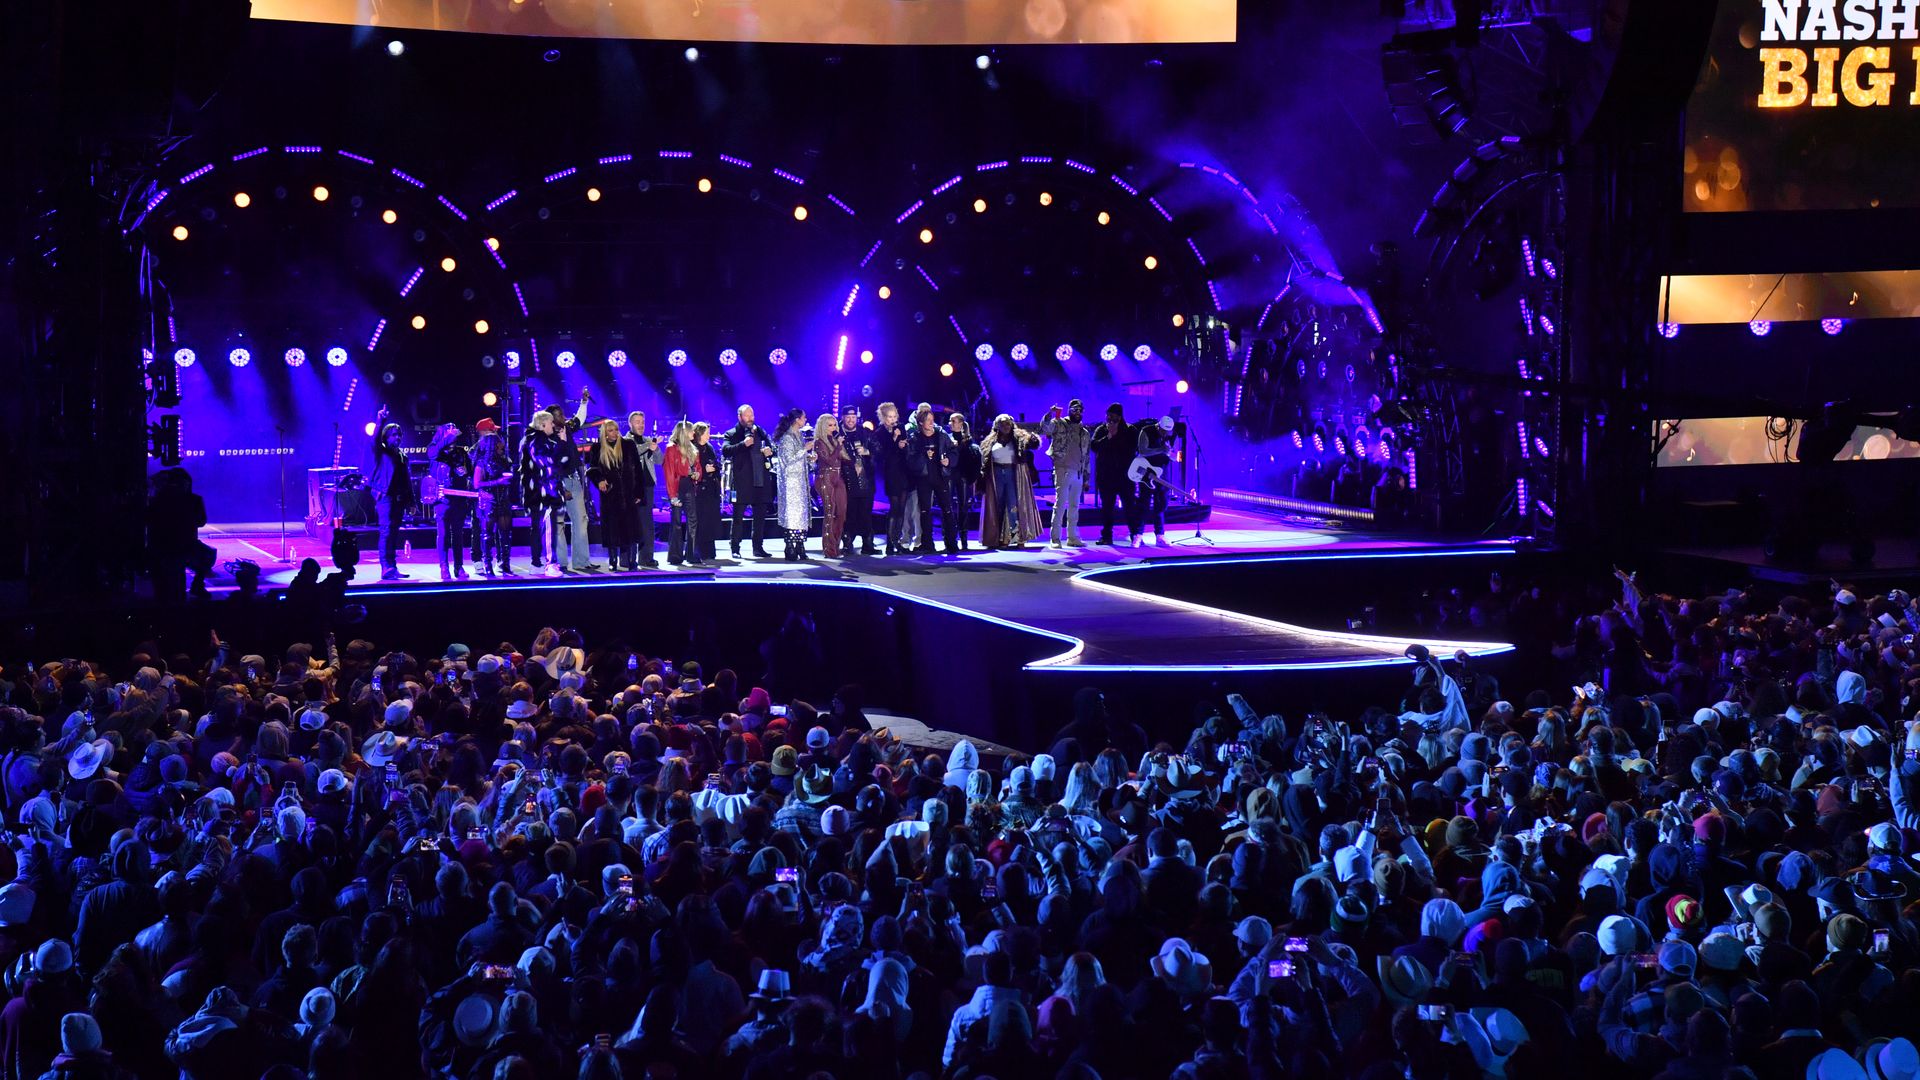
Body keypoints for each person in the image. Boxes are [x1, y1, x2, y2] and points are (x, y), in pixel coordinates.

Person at [516, 409, 576, 576]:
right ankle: (550, 564)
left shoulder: (532, 439)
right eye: (550, 423)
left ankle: (537, 563)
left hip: (535, 491)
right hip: (543, 492)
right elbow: (550, 463)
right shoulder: (537, 440)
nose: (553, 425)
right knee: (549, 529)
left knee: (538, 528)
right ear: (542, 425)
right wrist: (563, 445)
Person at [546, 389, 599, 573]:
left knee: (581, 520)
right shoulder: (548, 438)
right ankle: (560, 562)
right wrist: (560, 488)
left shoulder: (567, 429)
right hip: (558, 483)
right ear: (551, 419)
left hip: (574, 479)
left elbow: (579, 419)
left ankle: (581, 561)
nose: (562, 416)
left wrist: (584, 402)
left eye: (562, 413)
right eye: (558, 415)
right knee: (558, 523)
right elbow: (552, 465)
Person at [587, 420, 644, 573]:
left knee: (631, 529)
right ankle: (613, 560)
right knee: (612, 529)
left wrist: (639, 492)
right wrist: (599, 480)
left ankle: (633, 561)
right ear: (605, 433)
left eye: (616, 430)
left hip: (628, 493)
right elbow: (591, 469)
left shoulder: (628, 445)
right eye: (610, 430)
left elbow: (638, 470)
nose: (614, 433)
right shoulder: (597, 448)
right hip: (610, 496)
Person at [977, 414, 1041, 550]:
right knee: (997, 505)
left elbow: (1033, 444)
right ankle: (1000, 538)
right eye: (1002, 424)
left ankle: (1018, 537)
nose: (1005, 426)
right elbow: (983, 458)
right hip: (996, 474)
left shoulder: (1019, 438)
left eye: (1008, 424)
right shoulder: (990, 441)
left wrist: (1034, 438)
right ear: (997, 426)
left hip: (1014, 473)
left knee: (1014, 504)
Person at [722, 405, 777, 560]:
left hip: (761, 479)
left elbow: (772, 446)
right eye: (747, 415)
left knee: (760, 517)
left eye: (752, 415)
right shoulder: (732, 434)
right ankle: (735, 548)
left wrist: (770, 451)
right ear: (739, 417)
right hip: (742, 481)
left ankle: (758, 548)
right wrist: (743, 444)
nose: (750, 418)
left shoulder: (760, 431)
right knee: (738, 517)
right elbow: (726, 450)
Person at [368, 405, 415, 580]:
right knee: (386, 531)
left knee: (394, 532)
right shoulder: (382, 452)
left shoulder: (403, 456)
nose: (397, 437)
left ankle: (392, 567)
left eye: (399, 434)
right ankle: (385, 567)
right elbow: (374, 440)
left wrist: (412, 502)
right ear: (386, 438)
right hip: (385, 497)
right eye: (394, 435)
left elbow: (407, 480)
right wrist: (381, 420)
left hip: (399, 499)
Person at [424, 423, 475, 580]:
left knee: (458, 535)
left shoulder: (461, 452)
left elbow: (470, 473)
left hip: (459, 499)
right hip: (442, 501)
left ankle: (459, 567)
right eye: (449, 429)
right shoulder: (435, 450)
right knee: (444, 534)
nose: (454, 431)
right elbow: (432, 453)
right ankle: (444, 566)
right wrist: (447, 438)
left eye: (454, 429)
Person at [906, 408, 958, 555]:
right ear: (921, 422)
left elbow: (954, 451)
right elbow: (911, 461)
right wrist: (924, 456)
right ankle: (928, 544)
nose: (931, 422)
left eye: (932, 419)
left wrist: (949, 461)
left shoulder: (941, 435)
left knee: (947, 510)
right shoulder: (915, 438)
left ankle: (951, 543)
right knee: (925, 511)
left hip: (941, 477)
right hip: (924, 479)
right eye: (928, 420)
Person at [1041, 399, 1092, 549]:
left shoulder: (1085, 432)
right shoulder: (1059, 423)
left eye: (1080, 410)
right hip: (1062, 468)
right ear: (1069, 410)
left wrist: (1086, 478)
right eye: (1075, 409)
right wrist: (1050, 413)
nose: (1078, 412)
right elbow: (1045, 428)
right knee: (1060, 504)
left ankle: (1073, 537)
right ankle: (1055, 538)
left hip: (1078, 471)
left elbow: (1086, 455)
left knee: (1075, 506)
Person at [469, 419, 515, 576]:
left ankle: (505, 564)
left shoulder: (503, 460)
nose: (501, 444)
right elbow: (476, 483)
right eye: (498, 442)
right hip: (489, 500)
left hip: (503, 499)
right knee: (486, 534)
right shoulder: (481, 461)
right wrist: (498, 481)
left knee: (505, 533)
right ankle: (486, 563)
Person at [1089, 403, 1138, 547]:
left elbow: (1132, 449)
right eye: (1108, 415)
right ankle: (1106, 536)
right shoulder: (1101, 429)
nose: (1109, 419)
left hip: (1125, 475)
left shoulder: (1130, 430)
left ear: (1120, 416)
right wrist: (1109, 437)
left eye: (1113, 416)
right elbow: (1094, 447)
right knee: (1107, 507)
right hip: (1106, 475)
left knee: (1129, 505)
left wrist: (1117, 436)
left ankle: (1134, 534)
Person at [771, 409, 814, 562]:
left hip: (800, 481)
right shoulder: (787, 438)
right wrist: (805, 450)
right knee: (791, 514)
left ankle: (800, 545)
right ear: (797, 419)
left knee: (801, 513)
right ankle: (789, 546)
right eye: (804, 417)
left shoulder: (799, 435)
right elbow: (788, 459)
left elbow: (798, 457)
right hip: (790, 483)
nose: (806, 420)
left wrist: (808, 458)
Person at [663, 420, 704, 568]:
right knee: (677, 522)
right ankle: (675, 555)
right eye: (691, 430)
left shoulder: (693, 449)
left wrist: (697, 474)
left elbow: (698, 468)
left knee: (693, 521)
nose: (694, 433)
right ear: (684, 432)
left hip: (688, 486)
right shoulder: (671, 449)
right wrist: (672, 496)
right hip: (677, 486)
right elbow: (669, 473)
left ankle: (691, 553)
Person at [839, 406, 878, 557]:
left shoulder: (865, 432)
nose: (850, 419)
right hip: (846, 479)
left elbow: (879, 450)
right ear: (842, 417)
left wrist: (867, 452)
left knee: (866, 513)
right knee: (850, 513)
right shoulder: (838, 434)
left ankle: (867, 544)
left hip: (865, 478)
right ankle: (848, 543)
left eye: (853, 416)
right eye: (847, 417)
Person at [625, 411, 661, 569]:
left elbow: (660, 460)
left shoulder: (648, 440)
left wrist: (655, 449)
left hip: (648, 487)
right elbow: (632, 452)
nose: (641, 425)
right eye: (637, 422)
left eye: (642, 422)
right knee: (631, 521)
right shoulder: (625, 440)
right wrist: (648, 446)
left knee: (647, 523)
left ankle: (647, 557)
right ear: (630, 424)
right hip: (632, 487)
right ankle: (628, 558)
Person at [875, 402, 912, 557]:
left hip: (903, 471)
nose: (892, 419)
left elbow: (905, 450)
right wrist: (895, 438)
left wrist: (904, 445)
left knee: (902, 509)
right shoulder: (880, 433)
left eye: (894, 416)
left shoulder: (902, 427)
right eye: (889, 417)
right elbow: (883, 455)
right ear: (883, 417)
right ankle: (890, 544)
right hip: (891, 472)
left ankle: (897, 542)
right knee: (894, 508)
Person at [1134, 414, 1175, 548]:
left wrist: (1171, 454)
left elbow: (1174, 454)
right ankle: (1138, 535)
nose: (1164, 433)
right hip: (1147, 470)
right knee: (1144, 502)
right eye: (1162, 430)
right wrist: (1160, 450)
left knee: (1162, 502)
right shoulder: (1146, 431)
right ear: (1158, 426)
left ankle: (1160, 535)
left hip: (1163, 471)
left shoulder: (1171, 434)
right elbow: (1142, 450)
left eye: (1167, 431)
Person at [813, 414, 849, 559]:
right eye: (830, 425)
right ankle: (829, 549)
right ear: (823, 426)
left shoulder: (834, 441)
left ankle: (836, 546)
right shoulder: (819, 442)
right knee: (830, 513)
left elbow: (845, 459)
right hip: (825, 477)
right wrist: (839, 446)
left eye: (834, 425)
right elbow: (828, 460)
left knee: (841, 513)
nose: (833, 428)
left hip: (838, 477)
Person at [947, 413, 980, 552]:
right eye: (950, 421)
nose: (950, 423)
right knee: (948, 507)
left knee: (963, 507)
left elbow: (973, 459)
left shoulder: (968, 440)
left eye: (953, 421)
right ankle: (950, 539)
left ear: (961, 423)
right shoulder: (946, 437)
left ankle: (964, 539)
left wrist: (971, 477)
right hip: (949, 476)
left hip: (963, 476)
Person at [693, 421, 723, 562]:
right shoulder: (693, 448)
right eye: (707, 433)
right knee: (701, 520)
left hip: (711, 488)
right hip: (699, 489)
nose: (709, 436)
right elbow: (692, 468)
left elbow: (717, 463)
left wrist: (714, 468)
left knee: (711, 520)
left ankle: (710, 550)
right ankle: (699, 550)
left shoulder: (709, 447)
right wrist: (704, 470)